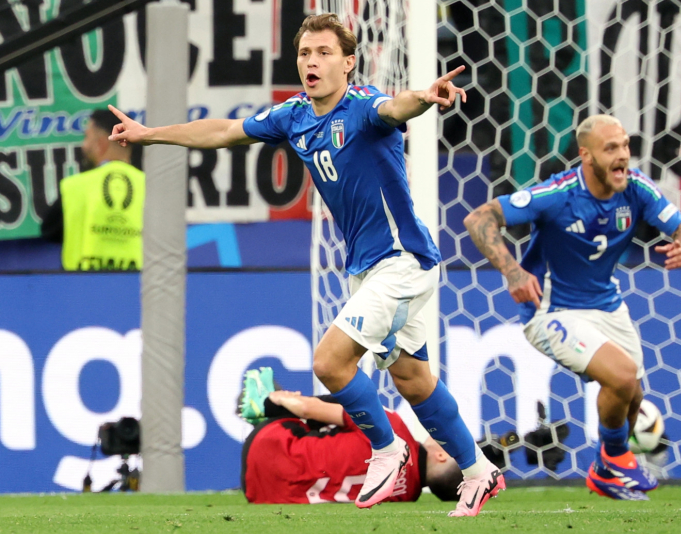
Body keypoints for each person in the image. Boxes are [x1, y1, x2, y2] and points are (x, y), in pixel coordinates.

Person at [107, 13, 503, 516]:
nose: (311, 62)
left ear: (349, 62)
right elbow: (224, 130)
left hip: (402, 261)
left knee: (329, 363)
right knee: (412, 380)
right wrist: (151, 134)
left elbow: (395, 106)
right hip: (366, 268)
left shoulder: (363, 108)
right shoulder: (294, 115)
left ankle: (388, 450)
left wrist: (424, 98)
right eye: (304, 54)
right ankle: (478, 470)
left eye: (323, 53)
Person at [464, 114, 681, 500]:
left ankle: (606, 468)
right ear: (586, 156)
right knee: (621, 376)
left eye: (625, 146)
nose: (622, 155)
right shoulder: (558, 195)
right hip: (552, 310)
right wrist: (513, 272)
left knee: (632, 394)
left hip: (608, 304)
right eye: (611, 148)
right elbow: (479, 219)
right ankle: (614, 459)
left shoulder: (637, 188)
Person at [239, 368, 464, 505]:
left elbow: (308, 410)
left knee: (353, 407)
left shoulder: (395, 428)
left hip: (267, 443)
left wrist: (277, 399)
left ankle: (266, 403)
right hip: (262, 493)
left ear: (442, 455)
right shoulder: (405, 497)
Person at [41, 109, 145, 271]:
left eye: (87, 137)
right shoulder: (151, 187)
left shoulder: (75, 186)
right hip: (140, 284)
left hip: (83, 284)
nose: (84, 145)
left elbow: (49, 232)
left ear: (101, 144)